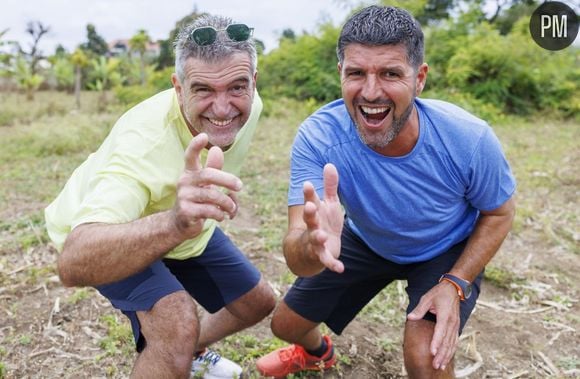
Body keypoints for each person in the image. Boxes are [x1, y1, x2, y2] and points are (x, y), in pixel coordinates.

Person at [256, 5, 516, 378]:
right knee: (286, 325)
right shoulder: (318, 137)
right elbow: (298, 255)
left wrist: (456, 283)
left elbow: (500, 212)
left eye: (391, 73)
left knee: (426, 359)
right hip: (364, 241)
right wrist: (314, 245)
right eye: (356, 73)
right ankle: (318, 353)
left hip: (444, 248)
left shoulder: (468, 138)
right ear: (340, 74)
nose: (371, 91)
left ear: (419, 78)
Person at [45, 14, 276, 379]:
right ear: (178, 87)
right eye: (203, 90)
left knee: (257, 304)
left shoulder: (251, 106)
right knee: (176, 327)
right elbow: (74, 262)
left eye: (237, 87)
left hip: (183, 227)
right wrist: (174, 221)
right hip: (112, 232)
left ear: (253, 83)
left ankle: (190, 353)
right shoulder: (143, 145)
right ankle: (176, 351)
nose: (222, 108)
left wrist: (182, 220)